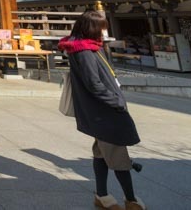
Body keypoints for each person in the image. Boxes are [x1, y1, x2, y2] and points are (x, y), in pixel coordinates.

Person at [58, 11, 145, 210]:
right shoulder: (84, 52)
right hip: (104, 112)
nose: (105, 31)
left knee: (101, 153)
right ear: (92, 28)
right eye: (102, 27)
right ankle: (131, 200)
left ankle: (102, 195)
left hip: (100, 110)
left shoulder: (90, 47)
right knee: (118, 156)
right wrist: (116, 101)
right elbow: (94, 84)